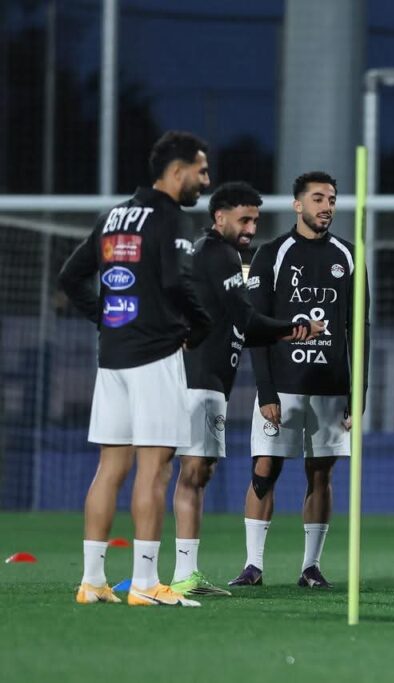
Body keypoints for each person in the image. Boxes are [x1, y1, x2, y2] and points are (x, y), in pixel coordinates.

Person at [58, 130, 213, 607]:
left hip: (113, 358)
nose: (206, 181)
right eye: (201, 171)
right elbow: (176, 282)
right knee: (155, 470)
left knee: (110, 469)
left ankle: (92, 582)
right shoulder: (171, 217)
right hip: (155, 357)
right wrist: (201, 323)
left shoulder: (114, 216)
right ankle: (145, 584)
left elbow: (70, 276)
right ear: (177, 171)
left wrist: (105, 318)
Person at [170, 181, 324, 598]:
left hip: (203, 380)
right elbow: (248, 318)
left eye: (256, 220)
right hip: (199, 380)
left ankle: (176, 572)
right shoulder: (218, 253)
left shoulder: (209, 254)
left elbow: (241, 326)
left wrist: (284, 331)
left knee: (194, 471)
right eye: (244, 219)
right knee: (193, 472)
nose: (251, 228)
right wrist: (296, 328)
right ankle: (179, 574)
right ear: (219, 217)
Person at [228, 171, 368, 589]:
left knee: (321, 474)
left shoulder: (349, 255)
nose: (327, 206)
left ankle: (310, 567)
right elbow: (255, 327)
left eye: (332, 199)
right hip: (283, 386)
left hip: (330, 388)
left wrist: (358, 392)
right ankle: (253, 566)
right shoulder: (272, 254)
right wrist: (265, 391)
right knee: (264, 469)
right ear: (298, 205)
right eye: (318, 198)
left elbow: (360, 329)